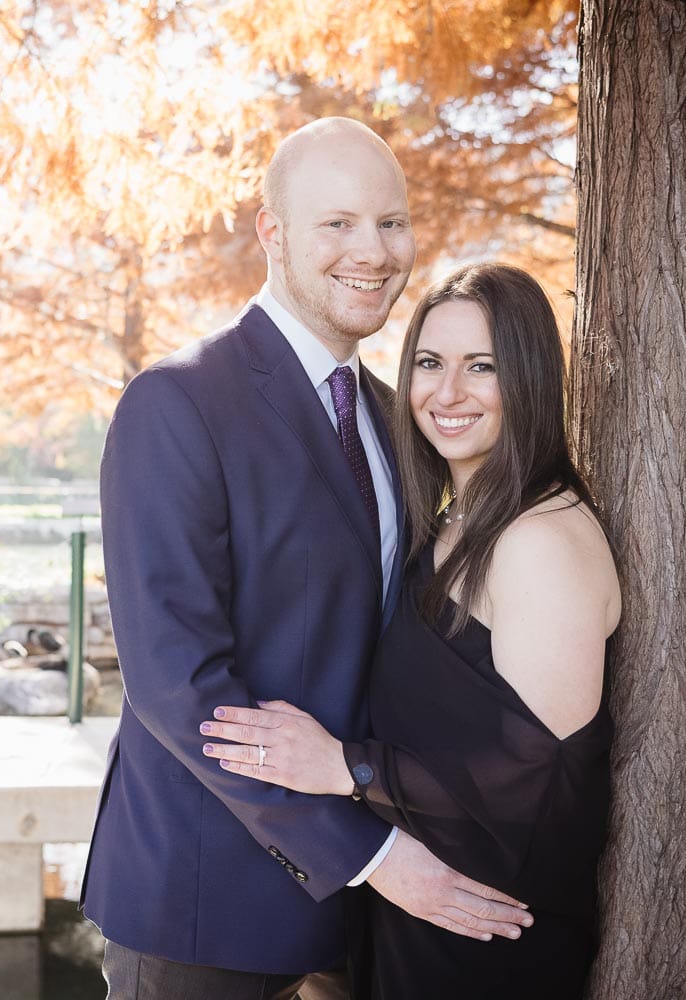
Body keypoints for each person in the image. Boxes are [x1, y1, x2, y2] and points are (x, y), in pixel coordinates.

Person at [81, 120, 532, 1000]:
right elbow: (177, 683)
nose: (373, 250)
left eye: (392, 223)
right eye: (338, 224)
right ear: (273, 233)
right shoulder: (176, 403)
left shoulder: (395, 415)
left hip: (360, 917)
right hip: (202, 905)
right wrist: (373, 855)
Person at [200, 262, 620, 998]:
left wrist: (345, 767)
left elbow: (539, 781)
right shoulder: (455, 518)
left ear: (527, 378)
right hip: (415, 905)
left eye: (480, 367)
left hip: (489, 935)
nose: (446, 393)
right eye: (429, 363)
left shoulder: (540, 538)